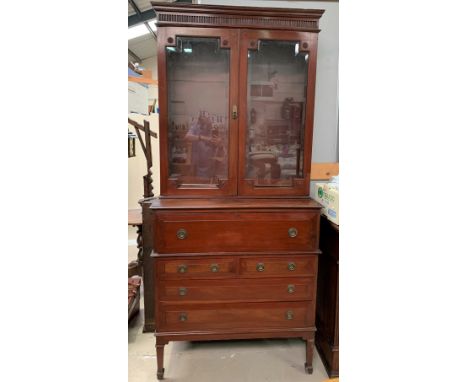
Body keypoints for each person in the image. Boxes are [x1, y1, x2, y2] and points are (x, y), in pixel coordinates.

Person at [184, 112, 224, 179]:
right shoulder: (195, 128)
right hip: (196, 166)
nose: (206, 126)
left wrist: (220, 145)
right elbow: (187, 137)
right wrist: (202, 138)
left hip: (210, 166)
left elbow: (222, 153)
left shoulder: (213, 130)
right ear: (199, 122)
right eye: (203, 123)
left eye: (208, 123)